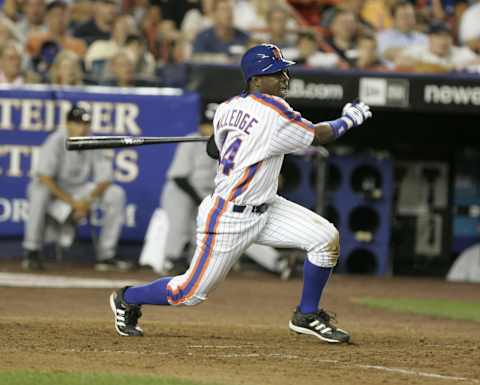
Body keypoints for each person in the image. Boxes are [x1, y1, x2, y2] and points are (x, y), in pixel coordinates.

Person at [110, 43, 372, 343]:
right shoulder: (276, 112)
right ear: (256, 80)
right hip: (228, 217)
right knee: (188, 293)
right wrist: (349, 119)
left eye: (284, 71)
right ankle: (128, 298)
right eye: (275, 73)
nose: (284, 77)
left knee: (325, 239)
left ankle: (306, 313)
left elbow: (214, 149)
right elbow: (318, 134)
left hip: (267, 206)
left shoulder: (226, 108)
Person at [157, 105, 294, 278]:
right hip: (181, 193)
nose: (207, 128)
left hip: (209, 195)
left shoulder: (230, 145)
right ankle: (172, 260)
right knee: (180, 226)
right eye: (205, 123)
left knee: (230, 230)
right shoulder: (192, 140)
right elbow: (180, 178)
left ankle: (276, 261)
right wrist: (202, 200)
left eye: (212, 124)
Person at [22, 105, 130, 271]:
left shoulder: (91, 140)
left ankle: (106, 256)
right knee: (39, 191)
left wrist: (86, 201)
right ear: (68, 124)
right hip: (56, 191)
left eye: (86, 123)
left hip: (80, 192)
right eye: (78, 123)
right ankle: (32, 250)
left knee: (116, 194)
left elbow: (105, 179)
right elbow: (44, 176)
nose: (83, 127)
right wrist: (73, 204)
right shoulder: (56, 140)